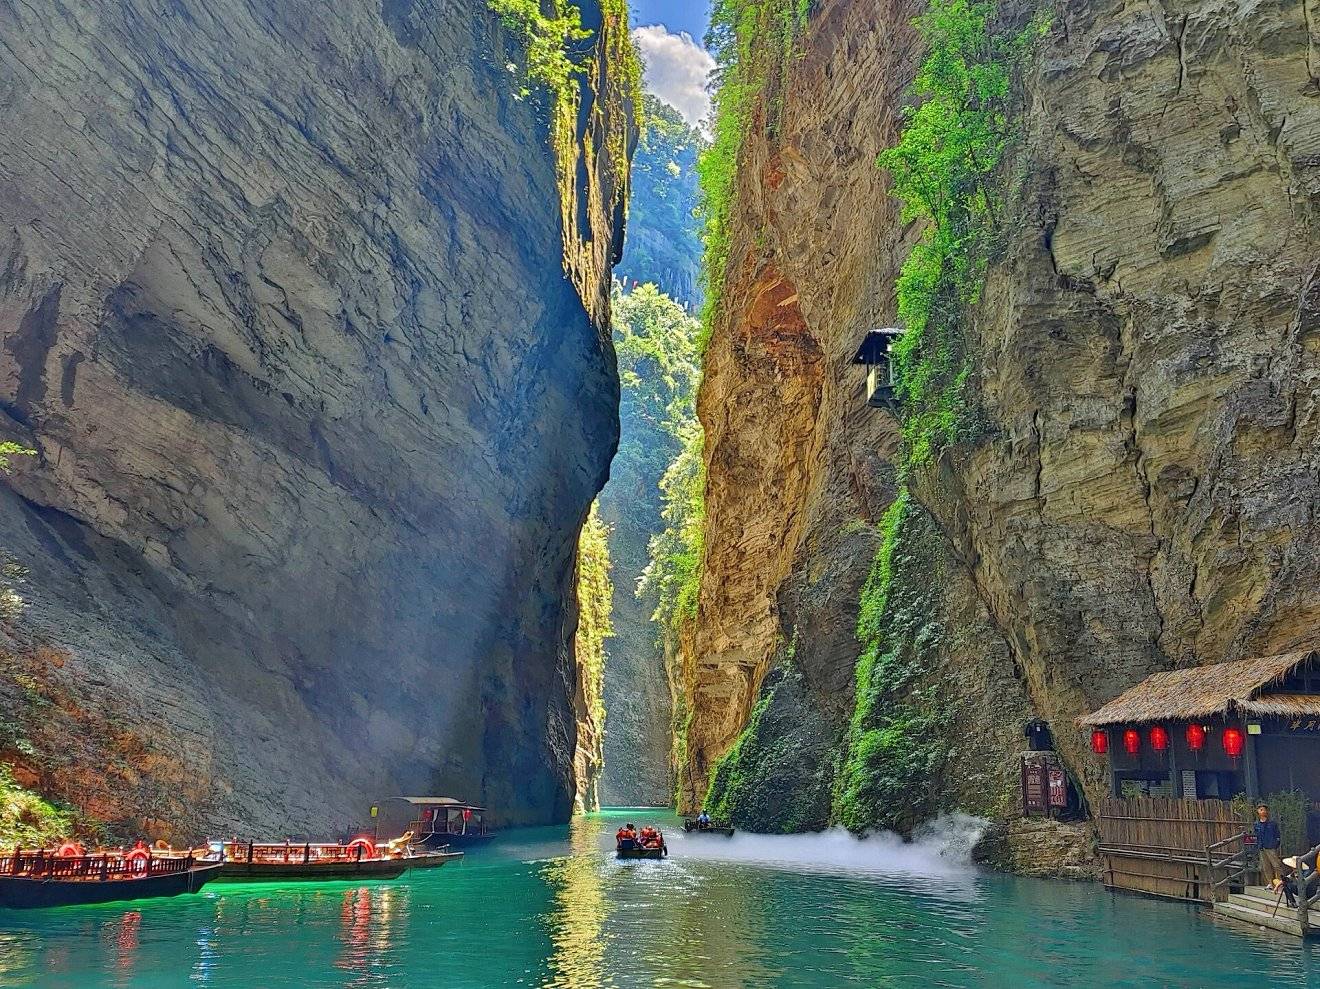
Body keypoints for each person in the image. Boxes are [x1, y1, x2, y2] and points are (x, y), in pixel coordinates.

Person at [1255, 803, 1282, 887]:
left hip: (1271, 846)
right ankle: (1270, 883)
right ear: (1258, 811)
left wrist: (1275, 844)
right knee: (1265, 867)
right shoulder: (1257, 824)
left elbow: (1277, 835)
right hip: (1262, 847)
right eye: (1261, 810)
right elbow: (1257, 835)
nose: (1263, 811)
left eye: (1264, 810)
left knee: (1276, 865)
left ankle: (1280, 882)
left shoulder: (1272, 823)